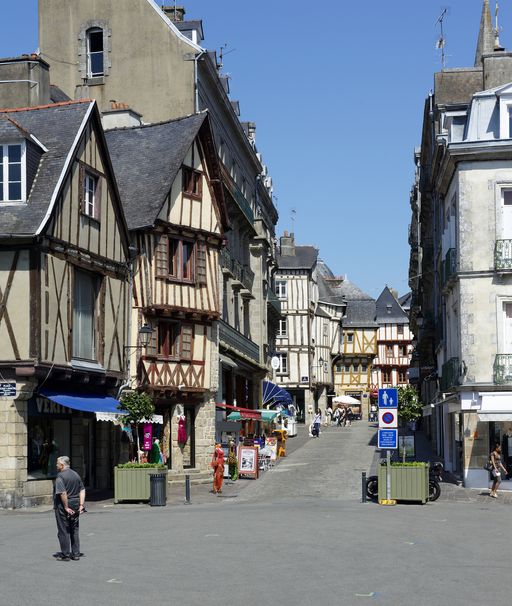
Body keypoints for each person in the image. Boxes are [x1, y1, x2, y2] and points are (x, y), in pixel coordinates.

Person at [53, 456, 85, 561]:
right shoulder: (75, 474)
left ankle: (65, 554)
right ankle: (75, 553)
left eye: (57, 463)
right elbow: (82, 489)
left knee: (63, 530)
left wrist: (66, 507)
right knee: (74, 529)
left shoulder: (60, 476)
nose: (56, 465)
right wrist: (81, 505)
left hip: (63, 505)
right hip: (75, 504)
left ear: (62, 465)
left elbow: (63, 493)